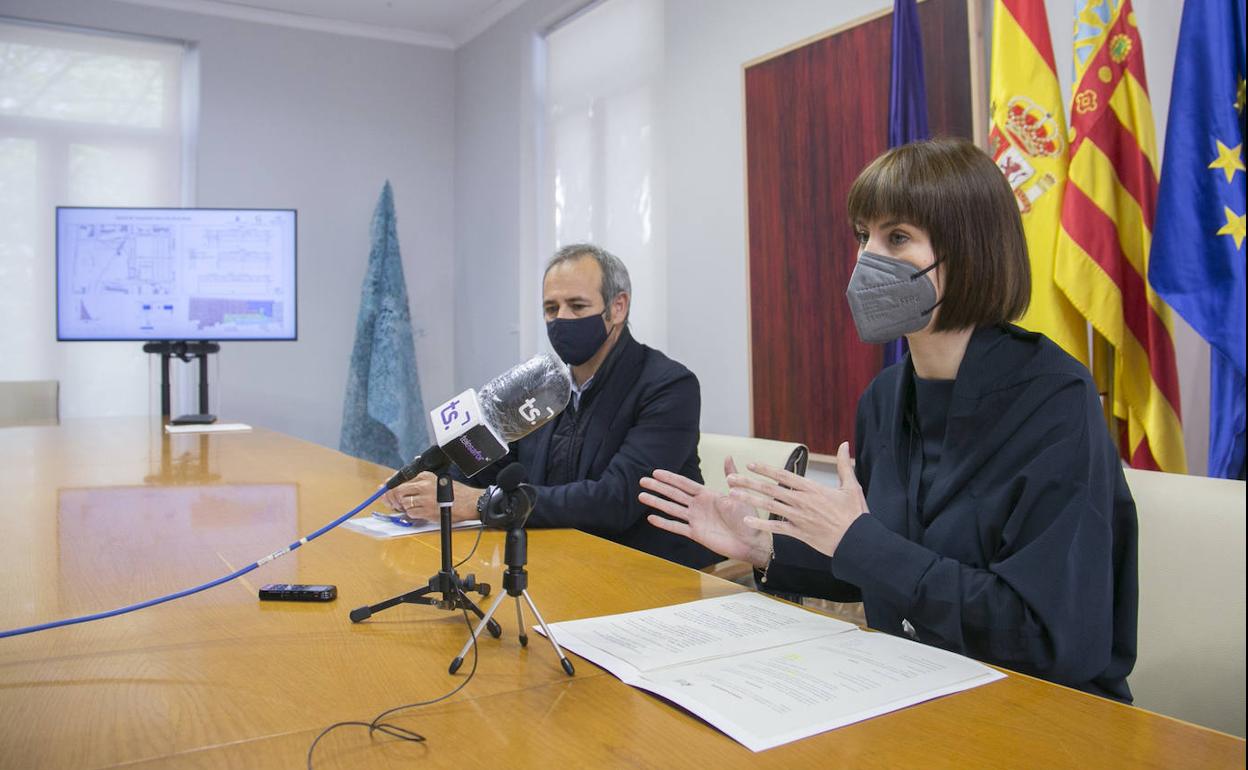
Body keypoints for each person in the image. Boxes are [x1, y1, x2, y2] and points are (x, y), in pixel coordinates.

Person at [638, 138, 1138, 702]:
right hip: (911, 686)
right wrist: (762, 547)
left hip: (1043, 711)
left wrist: (859, 541)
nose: (865, 259)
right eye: (862, 236)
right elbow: (882, 562)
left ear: (969, 250)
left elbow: (1047, 634)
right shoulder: (884, 397)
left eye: (896, 237)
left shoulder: (1056, 400)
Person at [385, 243, 718, 569]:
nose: (562, 319)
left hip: (650, 572)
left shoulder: (668, 386)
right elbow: (490, 465)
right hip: (559, 559)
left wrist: (483, 504)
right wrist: (431, 483)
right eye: (551, 309)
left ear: (618, 307)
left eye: (576, 306)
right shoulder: (539, 387)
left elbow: (616, 501)